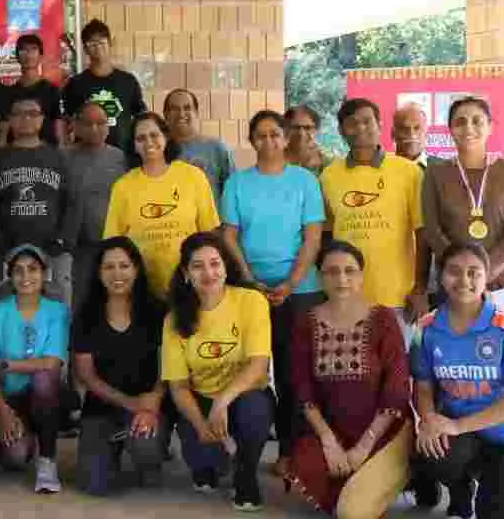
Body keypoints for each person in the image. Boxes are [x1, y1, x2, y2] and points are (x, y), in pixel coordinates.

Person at [220, 109, 325, 473]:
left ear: (285, 138)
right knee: (250, 369)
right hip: (250, 291)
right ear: (252, 141)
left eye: (275, 134)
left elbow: (313, 237)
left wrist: (291, 283)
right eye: (261, 135)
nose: (269, 141)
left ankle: (288, 453)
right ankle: (243, 450)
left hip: (300, 291)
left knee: (293, 375)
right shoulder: (237, 183)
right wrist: (249, 279)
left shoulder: (304, 181)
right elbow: (229, 236)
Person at [411, 243, 504, 519]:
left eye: (474, 272)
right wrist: (429, 420)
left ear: (487, 277)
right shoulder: (426, 329)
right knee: (432, 451)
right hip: (464, 437)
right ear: (440, 275)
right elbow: (422, 387)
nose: (464, 280)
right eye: (454, 271)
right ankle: (462, 489)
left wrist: (456, 426)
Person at [284, 242, 412, 519]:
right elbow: (303, 388)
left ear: (361, 276)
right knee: (304, 464)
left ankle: (397, 477)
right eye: (331, 272)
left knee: (352, 513)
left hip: (383, 433)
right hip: (333, 431)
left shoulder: (383, 319)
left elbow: (396, 388)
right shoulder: (306, 322)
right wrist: (328, 441)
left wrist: (364, 445)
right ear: (320, 277)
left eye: (349, 271)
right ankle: (361, 487)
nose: (341, 279)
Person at [162, 232, 274, 511]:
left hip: (244, 394)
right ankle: (212, 462)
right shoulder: (174, 319)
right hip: (200, 399)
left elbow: (258, 365)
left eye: (215, 263)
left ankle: (246, 474)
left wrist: (222, 401)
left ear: (225, 267)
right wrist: (201, 426)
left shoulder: (251, 301)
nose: (208, 273)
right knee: (205, 466)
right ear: (186, 273)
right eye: (198, 266)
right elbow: (178, 386)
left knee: (254, 411)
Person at [418, 96, 504, 318]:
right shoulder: (436, 174)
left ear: (490, 127)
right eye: (460, 122)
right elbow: (432, 230)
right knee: (457, 340)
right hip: (457, 286)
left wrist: (484, 271)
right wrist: (464, 272)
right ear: (450, 130)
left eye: (477, 121)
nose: (468, 128)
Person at [71, 236, 166, 496]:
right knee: (94, 484)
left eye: (124, 266)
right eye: (109, 267)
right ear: (98, 273)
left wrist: (152, 402)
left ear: (136, 269)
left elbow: (169, 368)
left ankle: (148, 457)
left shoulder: (157, 311)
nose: (117, 274)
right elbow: (86, 375)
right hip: (102, 406)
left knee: (146, 449)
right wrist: (129, 403)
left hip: (147, 405)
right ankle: (112, 449)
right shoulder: (86, 315)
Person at [320, 98, 422, 318]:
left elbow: (422, 234)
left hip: (398, 297)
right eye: (352, 123)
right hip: (346, 297)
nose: (360, 128)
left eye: (367, 121)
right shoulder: (328, 176)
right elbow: (327, 235)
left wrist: (420, 289)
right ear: (341, 131)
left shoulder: (409, 172)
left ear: (380, 125)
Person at [102, 111, 220, 301]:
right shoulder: (123, 187)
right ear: (133, 145)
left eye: (154, 135)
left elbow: (209, 235)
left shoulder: (193, 177)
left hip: (191, 286)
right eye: (141, 138)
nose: (148, 142)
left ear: (166, 137)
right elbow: (114, 243)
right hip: (143, 290)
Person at [0, 245, 69, 493]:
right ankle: (25, 439)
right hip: (10, 397)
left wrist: (7, 364)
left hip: (44, 398)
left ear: (44, 274)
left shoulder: (57, 311)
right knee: (16, 457)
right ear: (9, 276)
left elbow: (52, 362)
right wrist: (2, 409)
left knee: (44, 379)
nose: (26, 276)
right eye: (18, 270)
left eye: (33, 269)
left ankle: (47, 462)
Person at [0, 91, 76, 302]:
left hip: (52, 249)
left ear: (42, 119)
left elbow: (72, 201)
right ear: (10, 120)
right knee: (5, 307)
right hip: (7, 250)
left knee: (58, 307)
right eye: (19, 114)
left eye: (32, 113)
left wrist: (64, 239)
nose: (26, 118)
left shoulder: (58, 156)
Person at [63, 102, 127, 313]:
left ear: (108, 126)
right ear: (76, 126)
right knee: (80, 302)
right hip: (77, 249)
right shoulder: (64, 157)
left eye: (100, 123)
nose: (94, 129)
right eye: (88, 124)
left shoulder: (120, 158)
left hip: (112, 245)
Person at [60, 19, 146, 154]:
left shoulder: (128, 81)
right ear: (85, 49)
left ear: (110, 44)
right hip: (86, 155)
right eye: (92, 43)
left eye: (101, 41)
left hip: (122, 154)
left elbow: (141, 117)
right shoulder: (75, 84)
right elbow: (67, 121)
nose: (98, 47)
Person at [163, 88, 237, 201]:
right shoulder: (159, 151)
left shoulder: (216, 148)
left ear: (196, 113)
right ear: (165, 115)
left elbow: (233, 192)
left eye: (187, 108)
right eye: (174, 109)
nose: (181, 114)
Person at [11, 33, 64, 145]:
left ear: (40, 56)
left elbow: (59, 127)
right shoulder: (9, 93)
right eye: (24, 50)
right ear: (17, 57)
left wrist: (60, 150)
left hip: (47, 151)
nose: (29, 54)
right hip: (18, 151)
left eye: (33, 49)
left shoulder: (52, 91)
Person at [284, 105, 330, 175]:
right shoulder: (272, 160)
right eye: (296, 127)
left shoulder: (327, 165)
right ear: (285, 129)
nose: (301, 133)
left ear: (317, 130)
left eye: (307, 128)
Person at [393, 105, 430, 170]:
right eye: (405, 129)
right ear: (393, 134)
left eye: (417, 128)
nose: (412, 134)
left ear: (426, 133)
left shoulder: (441, 169)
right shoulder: (383, 167)